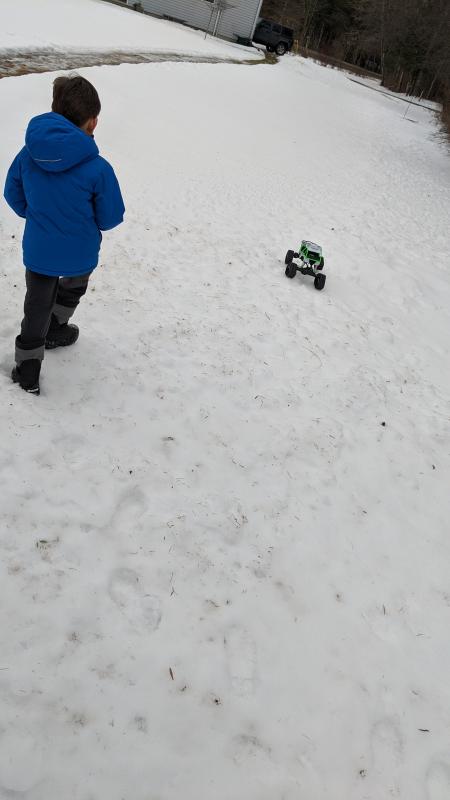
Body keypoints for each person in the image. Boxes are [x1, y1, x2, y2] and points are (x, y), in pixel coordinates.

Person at [3, 74, 125, 395]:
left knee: (36, 303)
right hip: (80, 253)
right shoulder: (98, 168)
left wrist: (38, 215)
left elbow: (12, 193)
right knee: (73, 287)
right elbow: (111, 216)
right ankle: (57, 328)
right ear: (92, 122)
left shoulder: (28, 154)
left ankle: (28, 367)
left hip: (40, 251)